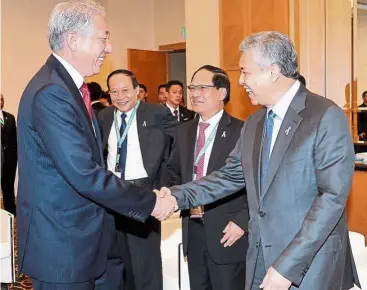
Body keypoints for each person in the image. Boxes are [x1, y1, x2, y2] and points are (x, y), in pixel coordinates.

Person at [158, 31, 360, 290]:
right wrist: (177, 196)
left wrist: (287, 266)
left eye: (246, 71)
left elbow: (331, 198)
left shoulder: (324, 115)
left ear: (273, 72)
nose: (240, 80)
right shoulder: (255, 122)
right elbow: (230, 175)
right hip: (259, 258)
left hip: (308, 266)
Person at [16, 1, 174, 289]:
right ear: (74, 40)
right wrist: (150, 202)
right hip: (63, 249)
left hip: (89, 241)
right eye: (103, 38)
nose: (110, 48)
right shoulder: (52, 92)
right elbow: (84, 173)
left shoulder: (69, 87)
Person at [165, 65, 248, 290]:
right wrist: (168, 195)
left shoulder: (242, 131)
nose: (194, 93)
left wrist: (242, 221)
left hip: (227, 231)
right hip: (193, 228)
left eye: (202, 87)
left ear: (221, 93)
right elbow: (173, 172)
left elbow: (255, 184)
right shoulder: (183, 131)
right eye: (192, 87)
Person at [98, 69, 178, 290]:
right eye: (114, 91)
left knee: (145, 260)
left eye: (125, 90)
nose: (120, 96)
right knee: (119, 256)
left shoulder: (157, 113)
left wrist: (167, 185)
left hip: (144, 190)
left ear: (137, 91)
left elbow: (177, 149)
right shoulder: (104, 116)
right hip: (113, 192)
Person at [0, 94, 17, 215]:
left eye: (2, 99)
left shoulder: (10, 118)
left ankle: (10, 211)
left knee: (8, 186)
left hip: (9, 160)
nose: (0, 101)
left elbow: (14, 139)